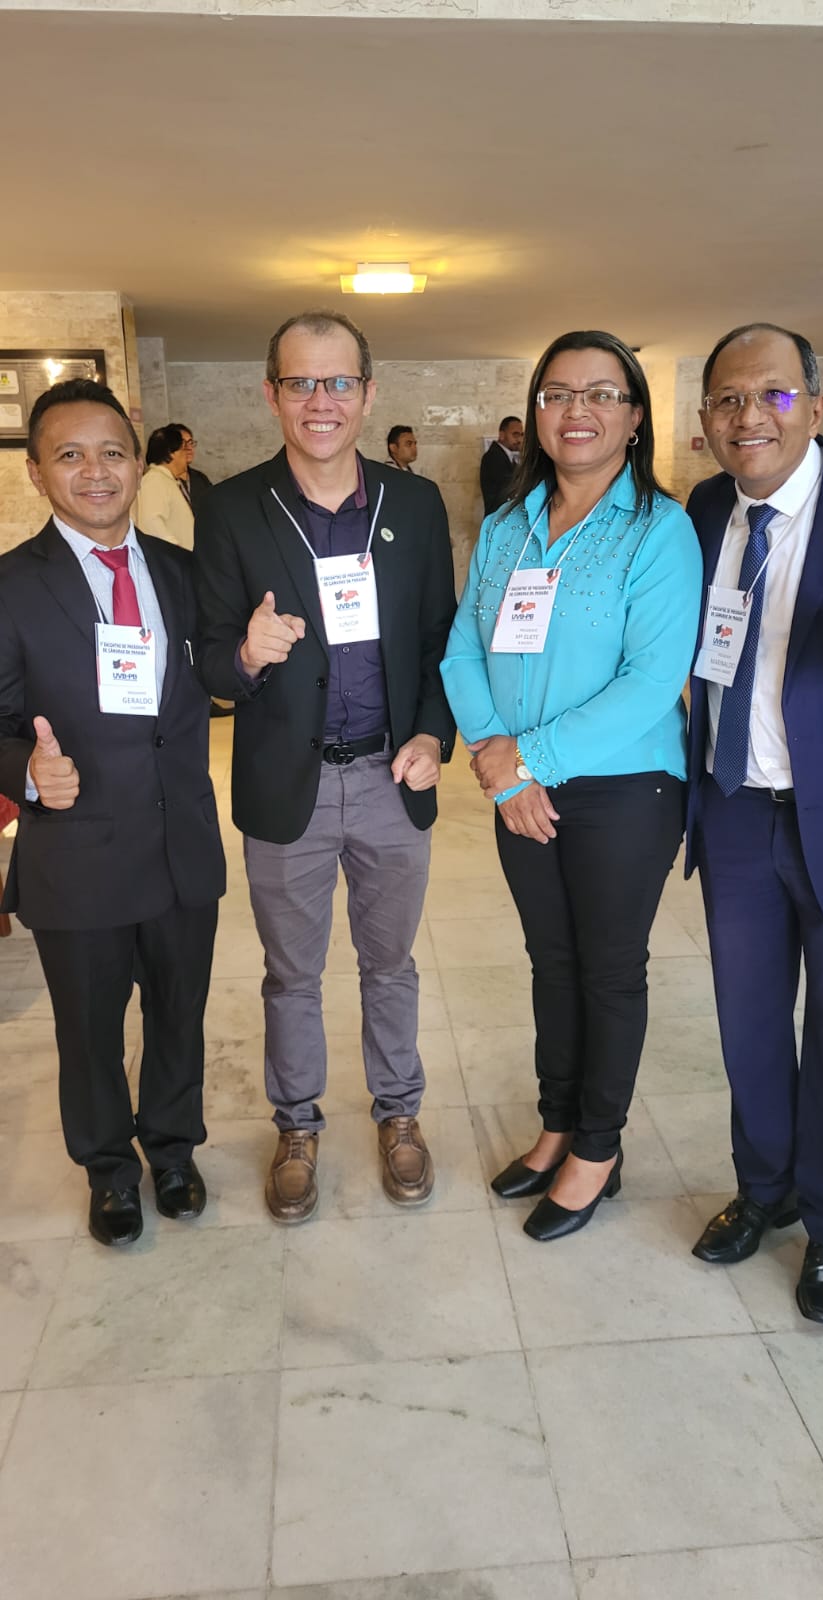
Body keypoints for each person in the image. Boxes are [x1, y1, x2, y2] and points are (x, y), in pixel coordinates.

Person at [192, 310, 456, 1224]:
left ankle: (399, 1114)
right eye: (300, 382)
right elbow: (209, 660)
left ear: (369, 393)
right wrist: (248, 655)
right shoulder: (228, 508)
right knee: (291, 974)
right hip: (285, 786)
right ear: (271, 394)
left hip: (392, 776)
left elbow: (438, 640)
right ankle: (297, 1125)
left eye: (338, 382)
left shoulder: (412, 505)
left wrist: (433, 735)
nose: (320, 401)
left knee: (391, 965)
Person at [441, 330, 702, 1242]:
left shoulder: (658, 529)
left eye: (601, 394)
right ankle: (558, 1125)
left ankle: (600, 1147)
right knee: (550, 963)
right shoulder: (508, 526)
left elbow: (652, 676)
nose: (576, 410)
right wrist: (494, 757)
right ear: (535, 414)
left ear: (634, 418)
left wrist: (529, 761)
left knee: (607, 968)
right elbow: (462, 648)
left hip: (624, 789)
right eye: (556, 394)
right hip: (519, 784)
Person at [686, 321, 823, 1325]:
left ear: (816, 405)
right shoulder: (703, 510)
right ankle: (765, 1189)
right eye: (727, 400)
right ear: (705, 424)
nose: (748, 416)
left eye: (770, 395)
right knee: (750, 1028)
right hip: (735, 816)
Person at [0, 379, 225, 1246]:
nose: (95, 472)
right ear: (36, 472)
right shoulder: (12, 587)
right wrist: (26, 769)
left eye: (112, 452)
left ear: (138, 465)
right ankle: (108, 1169)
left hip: (180, 846)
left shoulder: (182, 572)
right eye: (70, 454)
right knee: (89, 1031)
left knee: (179, 1013)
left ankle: (172, 1148)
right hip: (77, 854)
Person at [136, 424, 194, 548]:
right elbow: (151, 523)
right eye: (183, 449)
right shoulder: (154, 480)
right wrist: (176, 552)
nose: (186, 454)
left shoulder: (166, 480)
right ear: (171, 453)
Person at [480, 416, 524, 514]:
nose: (520, 439)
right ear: (502, 435)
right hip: (498, 518)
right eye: (515, 434)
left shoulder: (508, 457)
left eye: (521, 435)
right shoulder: (493, 457)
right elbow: (510, 487)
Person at [173, 422, 214, 510]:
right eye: (183, 443)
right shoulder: (165, 479)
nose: (189, 448)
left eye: (191, 443)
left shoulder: (201, 478)